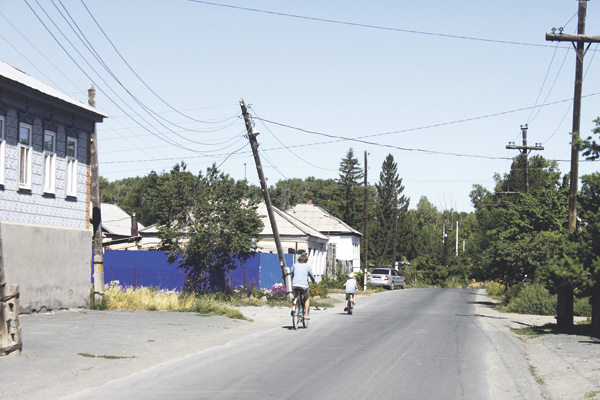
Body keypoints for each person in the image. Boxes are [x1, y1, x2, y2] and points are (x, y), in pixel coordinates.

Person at [290, 254, 316, 320]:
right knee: (307, 298)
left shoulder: (294, 265)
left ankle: (294, 307)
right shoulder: (307, 266)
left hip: (295, 285)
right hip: (304, 286)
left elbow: (292, 274)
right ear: (306, 260)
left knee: (295, 296)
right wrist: (313, 282)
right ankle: (306, 315)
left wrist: (292, 281)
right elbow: (311, 276)